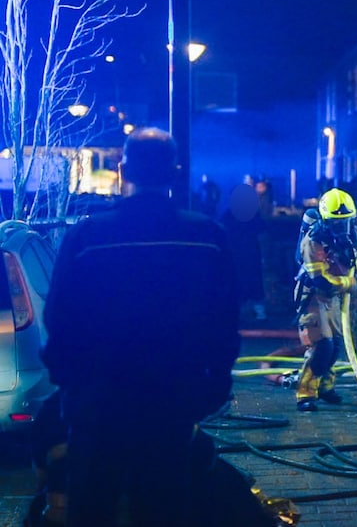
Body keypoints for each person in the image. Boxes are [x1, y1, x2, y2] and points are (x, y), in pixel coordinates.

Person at [41, 127, 241, 526]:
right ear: (175, 171)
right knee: (164, 507)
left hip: (99, 404)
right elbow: (225, 320)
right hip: (171, 403)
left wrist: (71, 386)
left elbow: (59, 319)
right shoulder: (207, 238)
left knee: (92, 508)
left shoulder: (87, 238)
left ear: (123, 169)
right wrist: (213, 385)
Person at [294, 188, 357, 412]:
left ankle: (325, 387)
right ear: (326, 222)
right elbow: (321, 280)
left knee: (335, 345)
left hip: (334, 298)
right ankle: (305, 392)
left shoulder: (353, 232)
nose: (342, 229)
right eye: (337, 224)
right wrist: (349, 283)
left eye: (346, 222)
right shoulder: (313, 241)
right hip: (313, 297)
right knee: (322, 346)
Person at [219, 183, 268, 321]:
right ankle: (259, 311)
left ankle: (241, 310)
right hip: (251, 253)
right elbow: (262, 232)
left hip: (235, 254)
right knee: (254, 280)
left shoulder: (228, 215)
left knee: (237, 281)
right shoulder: (252, 214)